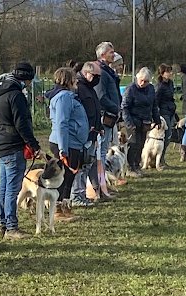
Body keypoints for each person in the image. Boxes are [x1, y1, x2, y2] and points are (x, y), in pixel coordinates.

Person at [0, 61, 40, 239]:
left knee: (4, 188)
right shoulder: (16, 95)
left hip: (2, 145)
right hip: (14, 146)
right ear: (26, 79)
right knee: (12, 190)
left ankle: (2, 225)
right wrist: (33, 145)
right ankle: (11, 227)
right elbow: (22, 124)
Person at [46, 67, 90, 208]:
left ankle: (65, 207)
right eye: (74, 78)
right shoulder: (64, 97)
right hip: (67, 143)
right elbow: (62, 123)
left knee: (69, 177)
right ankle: (59, 208)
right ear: (68, 80)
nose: (77, 81)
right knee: (64, 178)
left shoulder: (67, 96)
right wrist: (63, 148)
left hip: (73, 142)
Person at [75, 61, 109, 201]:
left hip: (94, 133)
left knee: (90, 164)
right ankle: (78, 195)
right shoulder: (79, 88)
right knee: (82, 166)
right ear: (87, 73)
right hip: (84, 134)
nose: (98, 79)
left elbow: (94, 109)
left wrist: (99, 127)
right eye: (96, 75)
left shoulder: (90, 88)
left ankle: (92, 191)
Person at [121, 67, 160, 175]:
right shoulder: (131, 89)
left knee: (141, 144)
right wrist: (129, 123)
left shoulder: (151, 89)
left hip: (145, 122)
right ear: (137, 78)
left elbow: (154, 105)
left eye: (146, 81)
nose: (143, 83)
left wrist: (157, 120)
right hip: (133, 121)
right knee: (133, 144)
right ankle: (130, 168)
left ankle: (137, 165)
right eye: (141, 80)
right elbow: (124, 107)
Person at [94, 42, 122, 188]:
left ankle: (103, 184)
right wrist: (116, 108)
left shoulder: (108, 72)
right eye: (111, 52)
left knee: (104, 151)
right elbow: (101, 96)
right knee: (101, 152)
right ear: (103, 55)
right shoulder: (100, 72)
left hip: (110, 116)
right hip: (105, 117)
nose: (114, 54)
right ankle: (99, 186)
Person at [154, 64, 176, 170]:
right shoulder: (160, 86)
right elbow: (156, 101)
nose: (171, 73)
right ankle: (160, 160)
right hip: (163, 113)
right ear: (162, 74)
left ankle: (162, 159)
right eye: (168, 71)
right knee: (165, 136)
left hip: (171, 111)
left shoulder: (170, 84)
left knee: (168, 136)